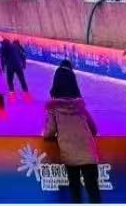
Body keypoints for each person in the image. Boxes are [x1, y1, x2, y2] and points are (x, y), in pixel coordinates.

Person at [43, 69, 102, 203]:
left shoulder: (53, 109)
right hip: (88, 153)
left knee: (75, 193)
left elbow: (49, 132)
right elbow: (93, 129)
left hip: (70, 155)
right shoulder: (81, 107)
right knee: (94, 192)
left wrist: (55, 137)